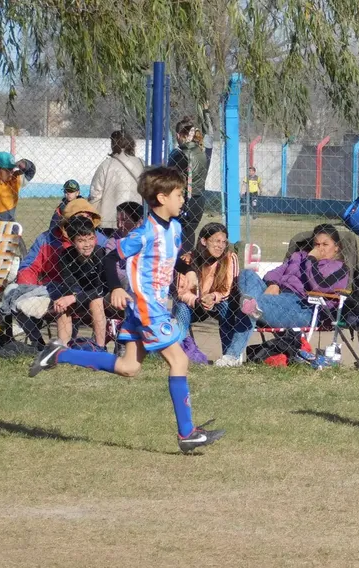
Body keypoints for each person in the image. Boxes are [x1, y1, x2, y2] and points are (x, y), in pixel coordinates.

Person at [28, 166, 225, 454]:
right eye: (179, 194)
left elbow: (171, 262)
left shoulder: (177, 228)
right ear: (161, 197)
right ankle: (187, 434)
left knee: (128, 367)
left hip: (146, 309)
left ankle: (60, 353)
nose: (184, 199)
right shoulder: (144, 233)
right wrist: (115, 288)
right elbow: (110, 259)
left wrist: (188, 269)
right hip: (148, 309)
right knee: (180, 362)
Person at [216, 224, 349, 366]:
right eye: (316, 244)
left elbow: (319, 285)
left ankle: (232, 354)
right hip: (276, 294)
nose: (319, 248)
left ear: (336, 247)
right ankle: (252, 306)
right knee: (247, 274)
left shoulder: (339, 268)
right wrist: (274, 284)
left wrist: (311, 260)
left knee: (248, 303)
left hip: (302, 306)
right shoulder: (298, 257)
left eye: (325, 244)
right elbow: (273, 273)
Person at [51, 215, 116, 348]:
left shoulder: (100, 254)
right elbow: (70, 287)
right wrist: (69, 298)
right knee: (63, 305)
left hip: (103, 297)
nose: (87, 245)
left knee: (95, 302)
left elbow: (101, 289)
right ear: (72, 241)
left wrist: (74, 297)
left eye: (91, 239)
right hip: (80, 296)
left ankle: (100, 349)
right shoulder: (65, 256)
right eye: (81, 240)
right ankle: (62, 350)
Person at [173, 223, 240, 351]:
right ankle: (174, 349)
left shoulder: (230, 258)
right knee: (181, 307)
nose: (220, 246)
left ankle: (229, 356)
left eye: (224, 242)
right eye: (216, 241)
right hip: (193, 304)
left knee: (227, 306)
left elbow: (230, 288)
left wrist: (213, 297)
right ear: (204, 241)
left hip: (218, 302)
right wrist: (197, 300)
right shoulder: (187, 260)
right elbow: (180, 292)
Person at [17, 198, 108, 292]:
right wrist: (27, 290)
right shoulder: (46, 239)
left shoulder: (100, 241)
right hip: (48, 288)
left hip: (88, 292)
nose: (84, 220)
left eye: (88, 216)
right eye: (80, 216)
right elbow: (29, 268)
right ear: (68, 221)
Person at [89, 131, 145, 233]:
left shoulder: (106, 165)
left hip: (110, 221)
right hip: (136, 218)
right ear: (132, 144)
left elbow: (95, 194)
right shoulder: (141, 164)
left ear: (113, 145)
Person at [168, 117, 209, 253]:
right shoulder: (202, 153)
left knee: (174, 233)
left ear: (178, 135)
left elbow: (169, 178)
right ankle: (187, 263)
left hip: (182, 199)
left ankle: (177, 265)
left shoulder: (178, 154)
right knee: (189, 233)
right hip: (198, 200)